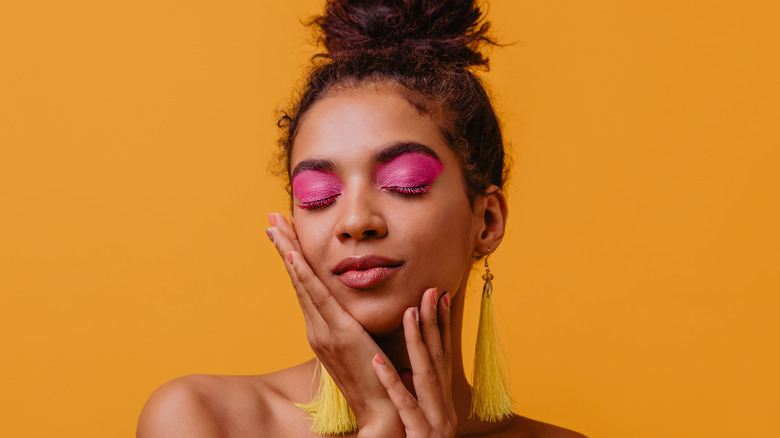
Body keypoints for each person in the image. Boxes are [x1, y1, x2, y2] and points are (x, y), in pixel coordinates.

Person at [138, 0, 585, 436]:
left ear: (486, 222)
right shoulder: (200, 421)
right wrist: (378, 423)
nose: (354, 221)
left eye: (405, 182)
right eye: (318, 196)